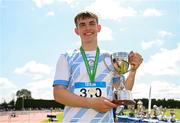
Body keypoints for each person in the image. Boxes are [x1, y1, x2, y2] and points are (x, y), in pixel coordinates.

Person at [53, 11, 143, 122]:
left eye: (91, 23)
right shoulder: (66, 57)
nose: (87, 28)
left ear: (98, 28)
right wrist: (91, 103)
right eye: (82, 25)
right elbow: (58, 94)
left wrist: (133, 70)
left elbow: (124, 90)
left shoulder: (110, 58)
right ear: (76, 31)